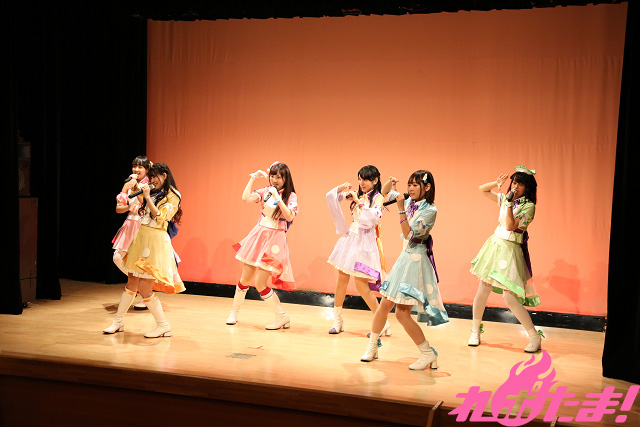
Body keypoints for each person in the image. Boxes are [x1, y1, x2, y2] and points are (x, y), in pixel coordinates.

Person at [360, 170, 448, 370]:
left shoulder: (430, 210)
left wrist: (401, 208)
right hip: (405, 258)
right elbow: (383, 195)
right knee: (384, 305)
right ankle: (372, 346)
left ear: (427, 187)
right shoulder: (410, 201)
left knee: (401, 313)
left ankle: (428, 353)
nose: (410, 188)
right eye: (409, 184)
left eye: (415, 185)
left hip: (416, 262)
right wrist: (390, 183)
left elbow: (409, 234)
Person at [103, 162, 184, 338]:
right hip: (141, 238)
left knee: (145, 288)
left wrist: (147, 197)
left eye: (154, 177)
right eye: (151, 177)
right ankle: (118, 321)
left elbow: (160, 217)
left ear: (164, 175)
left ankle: (163, 325)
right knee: (131, 282)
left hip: (155, 242)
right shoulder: (155, 191)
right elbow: (139, 204)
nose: (152, 180)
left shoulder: (174, 195)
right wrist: (133, 188)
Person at [468, 166, 542, 352]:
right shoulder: (506, 199)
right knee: (483, 289)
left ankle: (534, 337)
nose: (515, 186)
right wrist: (496, 184)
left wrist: (508, 204)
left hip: (510, 251)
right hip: (495, 247)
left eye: (520, 184)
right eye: (514, 182)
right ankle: (475, 331)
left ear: (527, 187)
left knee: (510, 298)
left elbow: (510, 226)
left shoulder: (528, 207)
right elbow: (482, 190)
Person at [226, 161, 298, 330]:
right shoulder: (266, 191)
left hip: (275, 242)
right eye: (272, 176)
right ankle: (234, 312)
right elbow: (246, 198)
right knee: (245, 278)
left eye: (278, 177)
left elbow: (289, 216)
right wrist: (252, 179)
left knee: (260, 283)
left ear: (286, 178)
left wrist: (278, 198)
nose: (274, 180)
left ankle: (282, 316)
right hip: (258, 236)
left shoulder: (291, 196)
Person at [326, 165, 389, 335]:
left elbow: (372, 219)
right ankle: (337, 320)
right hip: (350, 240)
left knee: (362, 287)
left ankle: (383, 323)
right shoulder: (357, 194)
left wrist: (359, 201)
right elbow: (331, 197)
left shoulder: (378, 198)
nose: (362, 183)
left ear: (375, 180)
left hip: (365, 244)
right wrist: (342, 188)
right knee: (341, 280)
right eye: (360, 179)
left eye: (365, 179)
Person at [112, 155, 151, 310]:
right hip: (129, 224)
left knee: (143, 262)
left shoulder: (149, 184)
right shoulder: (129, 184)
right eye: (134, 166)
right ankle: (136, 285)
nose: (136, 169)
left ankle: (144, 294)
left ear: (147, 169)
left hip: (143, 225)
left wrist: (135, 188)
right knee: (117, 257)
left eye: (140, 167)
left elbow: (145, 204)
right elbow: (118, 208)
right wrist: (126, 192)